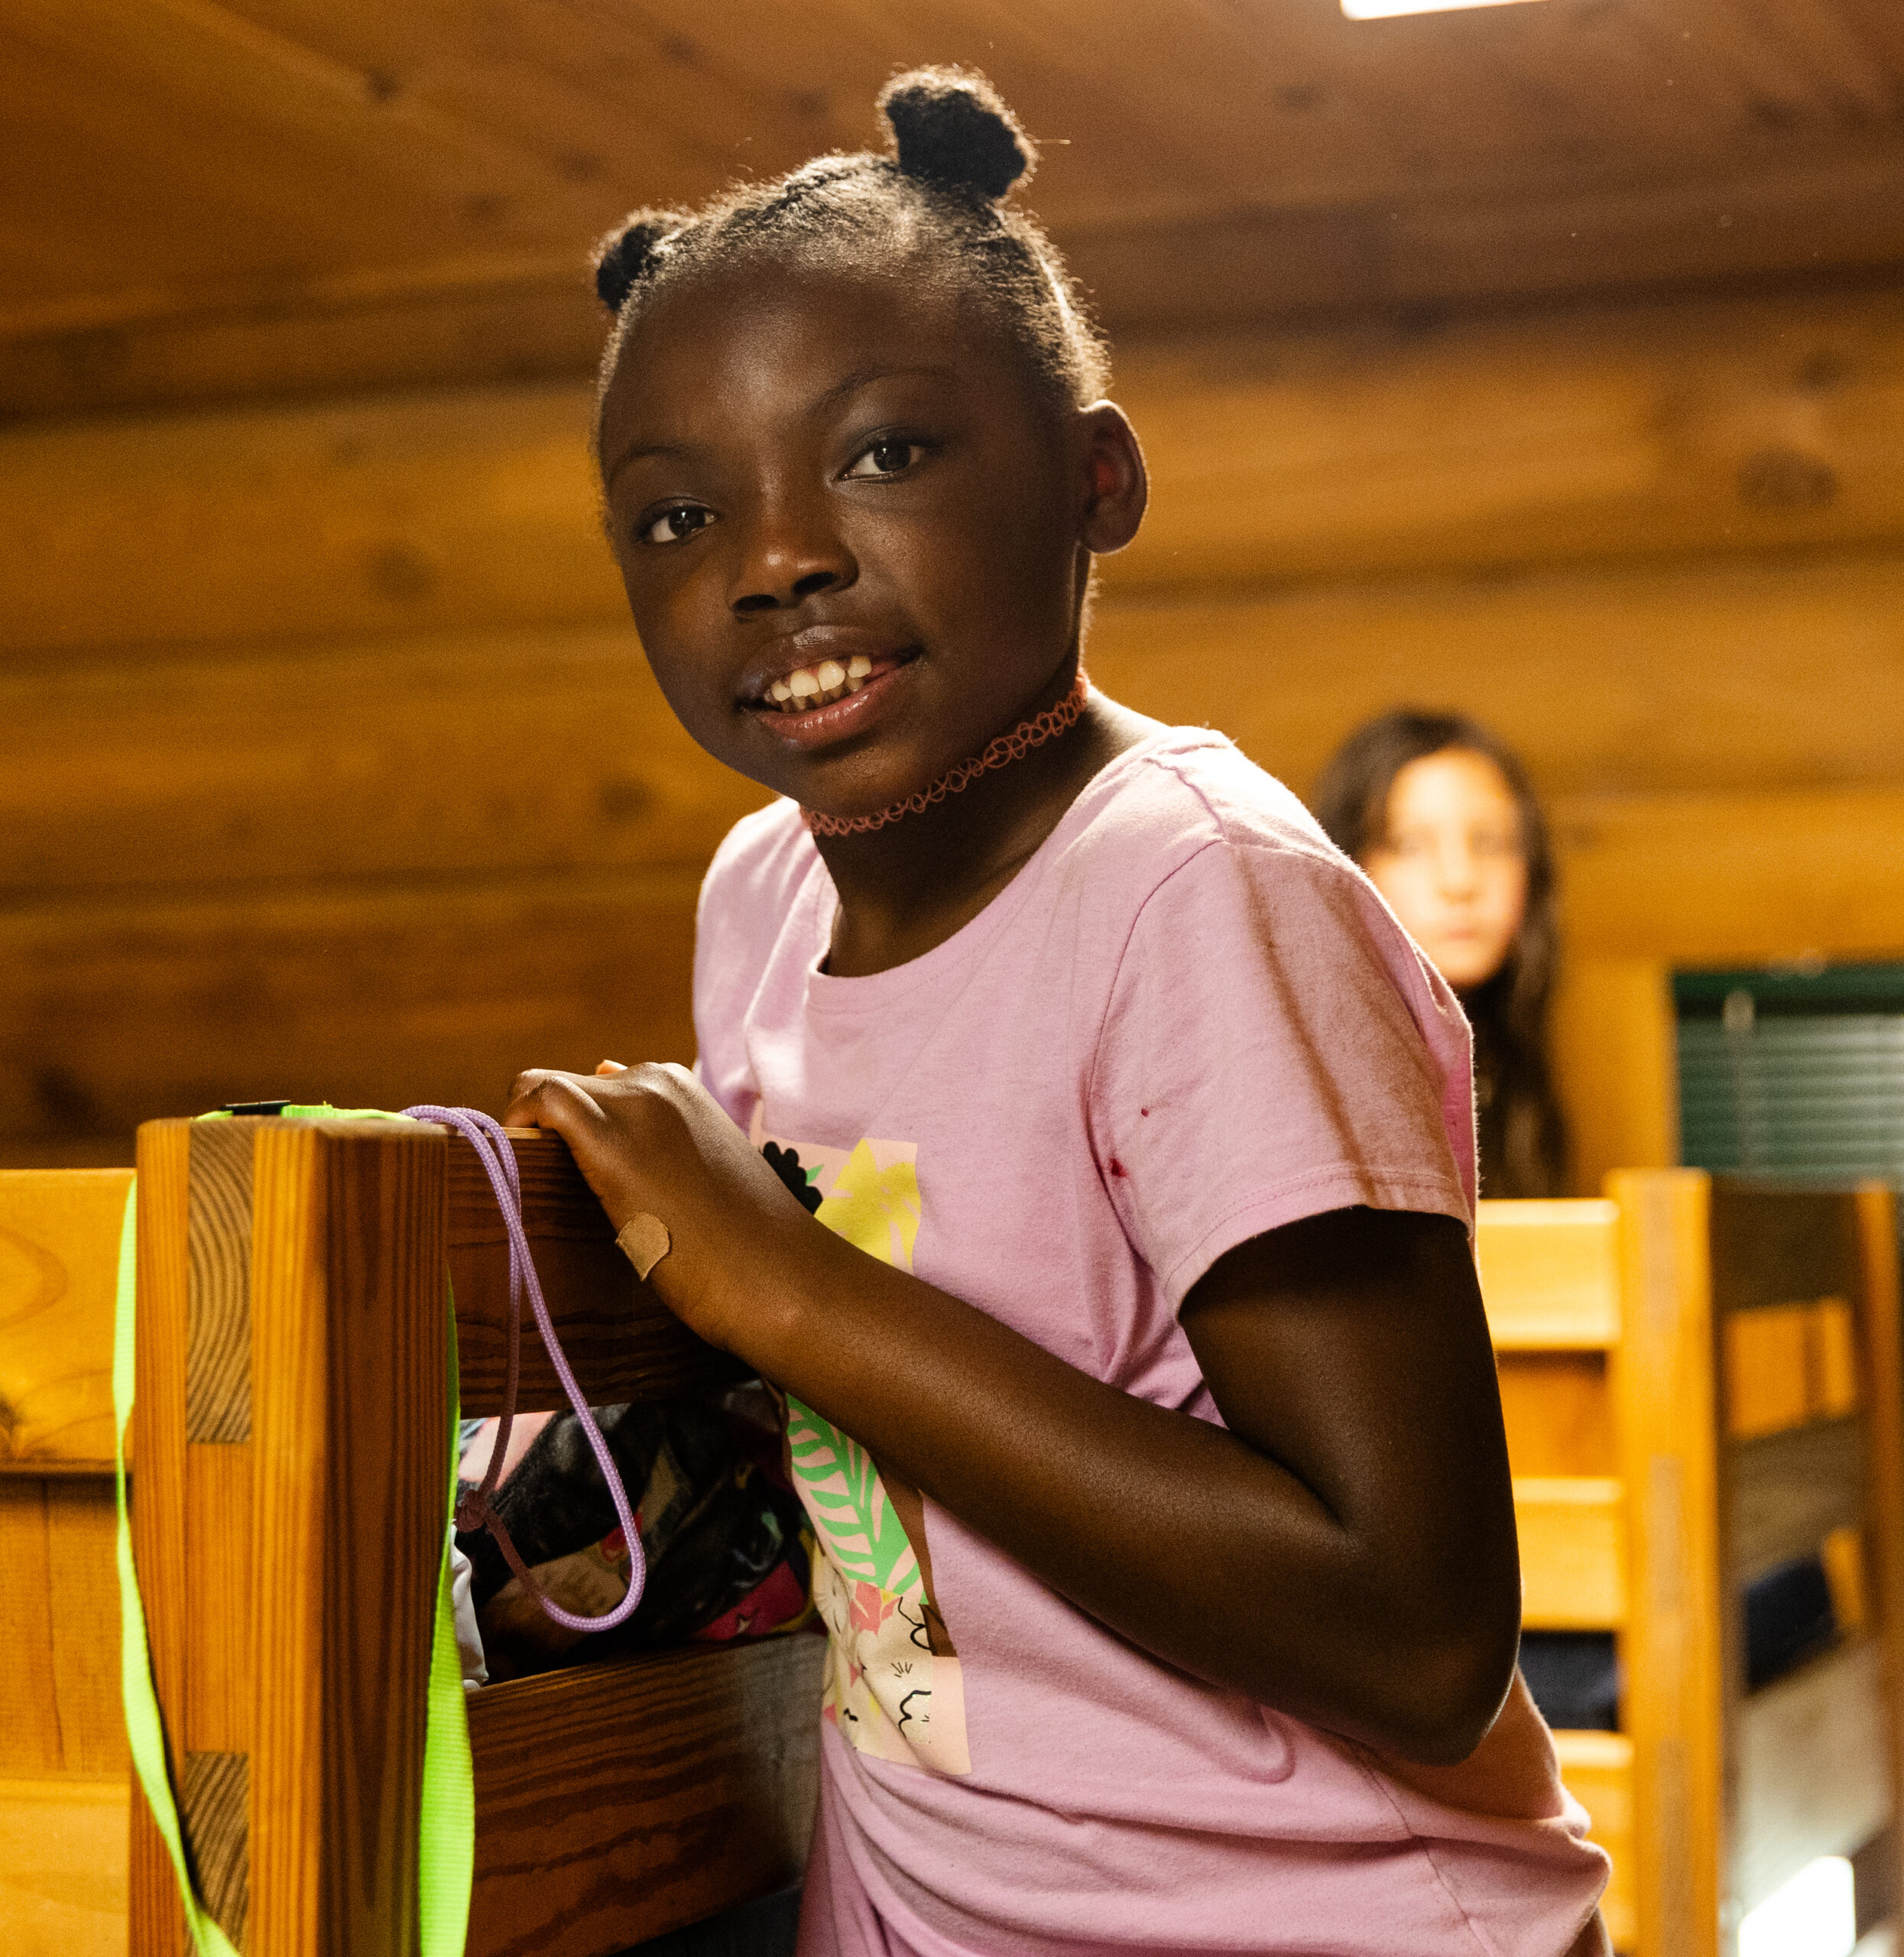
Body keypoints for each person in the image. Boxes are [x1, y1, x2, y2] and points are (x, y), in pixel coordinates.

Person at [501, 68, 1608, 1957]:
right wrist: (593, 1533)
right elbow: (856, 1462)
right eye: (676, 514)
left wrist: (789, 1285)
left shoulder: (1196, 898)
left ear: (1095, 478)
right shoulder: (756, 895)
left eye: (882, 454)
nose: (773, 559)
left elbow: (1417, 1638)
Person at [1311, 714, 1567, 1199]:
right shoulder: (1309, 1095)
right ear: (1343, 868)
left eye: (1489, 843)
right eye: (1410, 846)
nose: (1460, 881)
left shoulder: (1510, 1078)